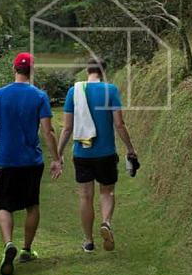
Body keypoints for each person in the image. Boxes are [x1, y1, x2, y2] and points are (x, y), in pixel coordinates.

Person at [0, 52, 63, 275]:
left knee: (4, 206)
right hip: (31, 161)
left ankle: (9, 243)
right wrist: (56, 159)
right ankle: (26, 249)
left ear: (14, 68)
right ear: (32, 71)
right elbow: (48, 131)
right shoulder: (39, 96)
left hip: (7, 159)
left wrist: (3, 131)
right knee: (32, 205)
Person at [56, 57, 138, 252]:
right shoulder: (111, 90)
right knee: (107, 192)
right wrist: (130, 149)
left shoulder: (74, 91)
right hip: (106, 153)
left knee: (85, 197)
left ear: (87, 70)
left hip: (82, 153)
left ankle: (88, 241)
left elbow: (67, 128)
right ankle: (106, 222)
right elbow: (119, 124)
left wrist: (57, 154)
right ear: (103, 72)